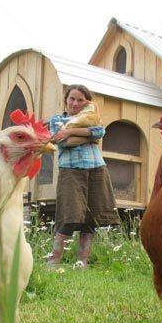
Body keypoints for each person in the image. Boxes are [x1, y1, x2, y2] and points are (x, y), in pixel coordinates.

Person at [47, 84, 119, 269]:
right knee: (69, 217)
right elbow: (63, 142)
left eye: (80, 100)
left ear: (86, 103)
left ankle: (82, 264)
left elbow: (100, 132)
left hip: (96, 169)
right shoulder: (57, 120)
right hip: (71, 170)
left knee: (90, 218)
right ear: (66, 99)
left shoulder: (92, 117)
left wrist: (70, 131)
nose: (75, 103)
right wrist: (89, 136)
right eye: (72, 98)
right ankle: (53, 263)